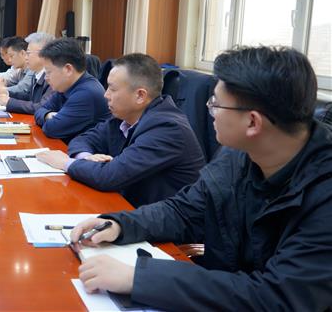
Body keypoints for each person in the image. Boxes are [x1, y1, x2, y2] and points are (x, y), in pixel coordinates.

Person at [71, 46, 332, 310]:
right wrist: (121, 224)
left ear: (253, 122)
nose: (210, 111)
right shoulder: (238, 155)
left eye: (215, 104)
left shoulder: (324, 195)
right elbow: (184, 211)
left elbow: (277, 297)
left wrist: (139, 278)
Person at [37, 53, 204, 206]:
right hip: (128, 207)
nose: (105, 95)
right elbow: (83, 139)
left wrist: (66, 163)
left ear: (140, 95)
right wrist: (85, 157)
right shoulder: (123, 117)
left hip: (161, 223)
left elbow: (110, 176)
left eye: (112, 89)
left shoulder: (167, 128)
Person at [34, 38, 110, 142]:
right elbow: (39, 110)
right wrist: (47, 115)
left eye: (48, 72)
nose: (46, 78)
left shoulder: (86, 93)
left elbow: (52, 129)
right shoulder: (66, 86)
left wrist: (47, 117)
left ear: (68, 69)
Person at [0, 32, 55, 114]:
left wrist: (9, 102)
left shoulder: (53, 77)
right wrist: (6, 93)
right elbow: (29, 97)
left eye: (28, 53)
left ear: (43, 54)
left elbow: (41, 107)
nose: (25, 57)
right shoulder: (37, 74)